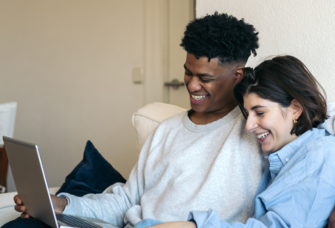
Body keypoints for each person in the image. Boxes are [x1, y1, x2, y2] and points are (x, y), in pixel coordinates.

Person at [4, 12, 264, 228]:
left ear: (238, 75)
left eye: (205, 78)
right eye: (187, 73)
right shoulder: (168, 130)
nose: (192, 85)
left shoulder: (257, 132)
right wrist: (62, 204)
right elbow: (126, 201)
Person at [134, 55, 335, 228]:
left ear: (296, 109)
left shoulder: (318, 155)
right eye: (248, 114)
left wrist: (194, 225)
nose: (248, 126)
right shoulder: (286, 158)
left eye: (260, 112)